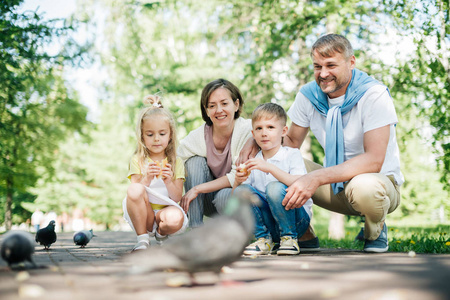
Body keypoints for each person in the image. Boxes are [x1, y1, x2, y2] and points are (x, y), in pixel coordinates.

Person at [240, 33, 403, 253]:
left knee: (365, 186)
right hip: (333, 186)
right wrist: (257, 141)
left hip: (377, 186)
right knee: (282, 162)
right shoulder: (309, 95)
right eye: (317, 66)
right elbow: (289, 143)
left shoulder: (373, 95)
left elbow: (374, 160)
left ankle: (375, 229)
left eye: (331, 65)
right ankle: (302, 233)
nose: (323, 74)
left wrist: (315, 178)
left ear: (351, 62)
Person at [234, 103, 312, 256]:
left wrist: (269, 167)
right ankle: (263, 239)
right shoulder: (253, 161)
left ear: (283, 131)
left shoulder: (291, 154)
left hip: (296, 221)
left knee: (274, 187)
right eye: (259, 128)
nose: (264, 133)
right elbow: (236, 200)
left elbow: (300, 184)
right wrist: (238, 181)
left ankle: (289, 238)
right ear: (253, 134)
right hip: (270, 223)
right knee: (241, 191)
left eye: (270, 127)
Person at [178, 79, 252, 227]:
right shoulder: (199, 136)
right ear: (206, 110)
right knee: (194, 161)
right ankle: (195, 229)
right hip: (206, 201)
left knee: (224, 196)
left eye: (224, 104)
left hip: (234, 198)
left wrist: (196, 189)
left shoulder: (247, 130)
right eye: (212, 106)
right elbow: (175, 159)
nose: (219, 110)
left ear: (236, 105)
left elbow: (235, 177)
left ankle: (240, 234)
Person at [123, 95, 188, 251]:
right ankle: (142, 239)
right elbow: (134, 192)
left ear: (170, 134)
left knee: (175, 218)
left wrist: (168, 181)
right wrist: (147, 178)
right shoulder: (137, 159)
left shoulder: (175, 161)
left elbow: (177, 197)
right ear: (142, 136)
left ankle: (160, 233)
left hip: (165, 211)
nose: (156, 139)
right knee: (134, 188)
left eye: (162, 134)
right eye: (150, 135)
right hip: (144, 213)